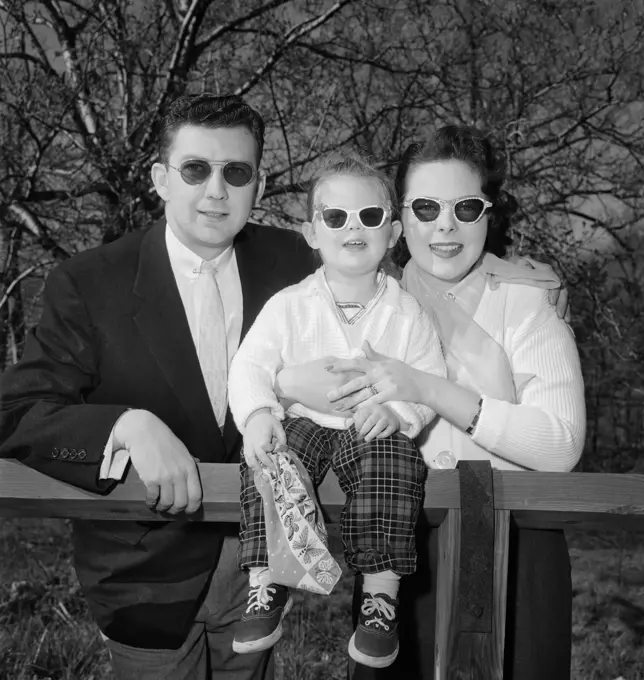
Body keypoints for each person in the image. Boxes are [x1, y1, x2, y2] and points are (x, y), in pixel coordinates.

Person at [0, 93, 317, 680]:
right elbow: (17, 409)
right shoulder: (88, 281)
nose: (216, 191)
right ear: (160, 179)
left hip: (264, 570)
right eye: (195, 169)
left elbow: (386, 293)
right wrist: (121, 427)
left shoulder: (298, 263)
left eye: (236, 172)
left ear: (260, 183)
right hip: (143, 576)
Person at [276, 125, 586, 679]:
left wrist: (428, 389)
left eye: (465, 207)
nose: (445, 224)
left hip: (518, 549)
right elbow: (289, 381)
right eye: (425, 207)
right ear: (400, 221)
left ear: (488, 214)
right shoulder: (368, 300)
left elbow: (560, 446)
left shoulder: (526, 303)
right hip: (401, 552)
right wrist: (282, 382)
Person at [226, 153, 447, 669]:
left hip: (370, 426)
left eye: (369, 217)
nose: (353, 227)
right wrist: (259, 414)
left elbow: (427, 377)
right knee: (272, 459)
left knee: (393, 461)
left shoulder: (407, 312)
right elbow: (250, 365)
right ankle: (268, 581)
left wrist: (401, 414)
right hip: (303, 420)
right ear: (310, 232)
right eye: (335, 217)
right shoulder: (289, 305)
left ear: (392, 233)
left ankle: (379, 598)